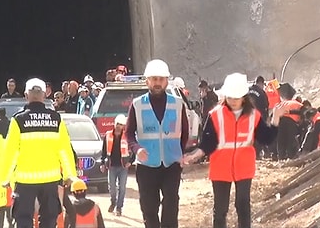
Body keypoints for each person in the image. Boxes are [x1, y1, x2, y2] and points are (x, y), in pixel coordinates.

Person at [183, 73, 284, 228]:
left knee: (243, 205)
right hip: (220, 167)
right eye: (230, 98)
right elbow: (208, 143)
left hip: (244, 167)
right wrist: (195, 155)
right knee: (220, 209)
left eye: (236, 98)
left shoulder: (253, 116)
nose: (233, 101)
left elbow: (266, 139)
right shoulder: (215, 115)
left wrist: (275, 119)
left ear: (244, 97)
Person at [2, 78, 77, 228]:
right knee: (49, 220)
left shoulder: (18, 120)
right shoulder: (56, 119)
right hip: (50, 180)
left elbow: (10, 152)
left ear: (26, 95)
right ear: (44, 95)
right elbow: (64, 150)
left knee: (23, 220)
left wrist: (6, 179)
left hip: (25, 181)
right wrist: (70, 175)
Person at [124, 59, 189, 228]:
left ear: (167, 81)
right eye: (154, 79)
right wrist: (136, 149)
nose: (157, 83)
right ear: (147, 81)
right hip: (146, 166)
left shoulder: (177, 103)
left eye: (161, 79)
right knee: (149, 209)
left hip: (171, 165)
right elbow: (129, 133)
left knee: (171, 206)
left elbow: (184, 132)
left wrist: (180, 154)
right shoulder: (137, 105)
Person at [100, 114, 133, 216]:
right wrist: (102, 163)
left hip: (123, 166)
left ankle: (119, 207)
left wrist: (130, 162)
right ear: (115, 124)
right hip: (112, 166)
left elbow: (133, 150)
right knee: (112, 188)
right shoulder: (108, 135)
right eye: (118, 124)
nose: (119, 126)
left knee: (122, 188)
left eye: (121, 124)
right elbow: (104, 151)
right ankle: (113, 202)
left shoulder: (127, 136)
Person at [277, 83, 302, 160]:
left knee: (281, 139)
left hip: (280, 120)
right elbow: (303, 114)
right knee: (290, 139)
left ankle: (281, 156)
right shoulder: (299, 104)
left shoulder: (283, 102)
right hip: (291, 121)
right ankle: (290, 156)